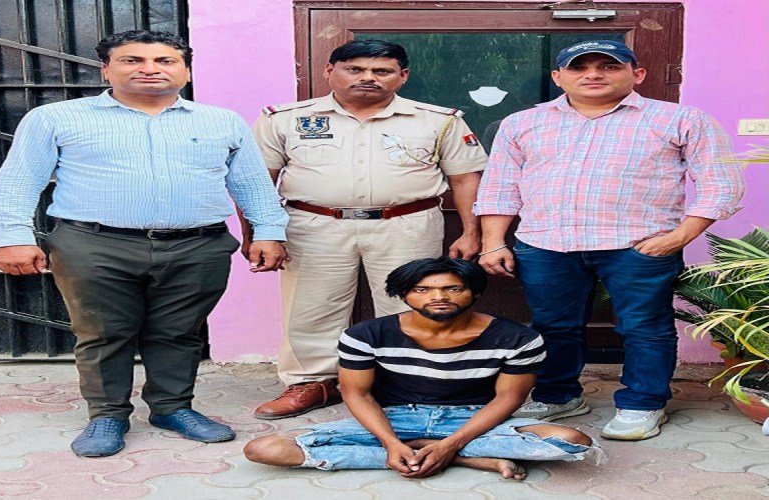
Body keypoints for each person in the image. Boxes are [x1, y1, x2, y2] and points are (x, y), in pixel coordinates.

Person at [0, 30, 289, 457]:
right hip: (94, 244)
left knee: (179, 332)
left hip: (197, 245)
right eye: (132, 60)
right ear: (106, 69)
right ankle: (107, 415)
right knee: (103, 333)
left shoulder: (221, 121)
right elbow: (18, 181)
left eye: (164, 61)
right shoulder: (56, 118)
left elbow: (251, 184)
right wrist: (12, 237)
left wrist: (270, 231)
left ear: (185, 71)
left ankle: (172, 407)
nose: (149, 69)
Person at [475, 40, 745, 440]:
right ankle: (558, 395)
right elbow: (500, 186)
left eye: (608, 66)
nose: (593, 74)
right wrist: (494, 241)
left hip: (639, 246)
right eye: (579, 67)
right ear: (558, 77)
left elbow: (721, 183)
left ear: (637, 74)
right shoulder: (522, 123)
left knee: (645, 327)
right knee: (553, 326)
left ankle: (643, 403)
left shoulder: (681, 119)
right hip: (547, 244)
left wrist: (681, 236)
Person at [249, 40, 488, 419]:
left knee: (411, 302)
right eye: (355, 69)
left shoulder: (437, 120)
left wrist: (471, 232)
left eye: (382, 71)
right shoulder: (285, 119)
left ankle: (407, 379)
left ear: (402, 76)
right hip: (313, 224)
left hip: (407, 223)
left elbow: (465, 179)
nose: (368, 78)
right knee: (311, 306)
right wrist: (262, 233)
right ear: (330, 71)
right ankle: (313, 381)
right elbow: (259, 180)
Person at [243, 257, 602, 478]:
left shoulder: (518, 338)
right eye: (422, 290)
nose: (438, 297)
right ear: (404, 295)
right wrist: (389, 441)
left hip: (472, 418)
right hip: (394, 418)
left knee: (571, 442)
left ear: (475, 293)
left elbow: (508, 399)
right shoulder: (365, 335)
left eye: (453, 289)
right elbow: (357, 393)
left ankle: (428, 451)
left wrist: (453, 441)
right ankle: (463, 459)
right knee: (265, 449)